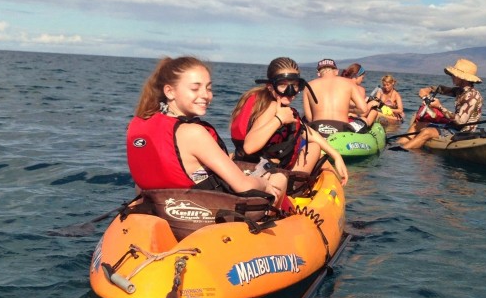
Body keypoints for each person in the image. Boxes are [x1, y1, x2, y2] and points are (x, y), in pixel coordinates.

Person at [127, 56, 287, 207]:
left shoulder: (140, 124)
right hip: (203, 213)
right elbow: (243, 186)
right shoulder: (194, 133)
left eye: (208, 88)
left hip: (164, 208)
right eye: (195, 88)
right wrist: (265, 184)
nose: (206, 95)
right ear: (169, 92)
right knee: (278, 178)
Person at [230, 57, 348, 186]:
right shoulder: (272, 108)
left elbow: (306, 131)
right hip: (267, 176)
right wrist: (279, 119)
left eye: (294, 85)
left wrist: (336, 156)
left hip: (249, 167)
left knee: (314, 145)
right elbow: (249, 147)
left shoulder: (265, 102)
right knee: (314, 148)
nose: (290, 91)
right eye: (283, 85)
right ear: (270, 86)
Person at [396, 58, 484, 150]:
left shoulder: (472, 97)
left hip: (463, 133)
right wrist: (429, 89)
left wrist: (439, 107)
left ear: (463, 78)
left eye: (454, 75)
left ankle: (401, 150)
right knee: (416, 125)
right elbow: (443, 90)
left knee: (427, 132)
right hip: (453, 127)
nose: (452, 77)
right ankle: (395, 145)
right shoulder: (461, 91)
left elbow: (460, 121)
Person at [303, 58, 378, 136]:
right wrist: (347, 110)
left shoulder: (308, 86)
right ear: (336, 71)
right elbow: (363, 109)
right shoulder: (348, 83)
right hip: (342, 128)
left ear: (318, 73)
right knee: (364, 120)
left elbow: (309, 117)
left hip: (318, 128)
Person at [337, 62, 381, 131]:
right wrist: (370, 104)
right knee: (374, 111)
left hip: (336, 119)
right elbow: (363, 113)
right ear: (357, 76)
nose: (362, 80)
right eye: (362, 78)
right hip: (349, 121)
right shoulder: (359, 89)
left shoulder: (340, 84)